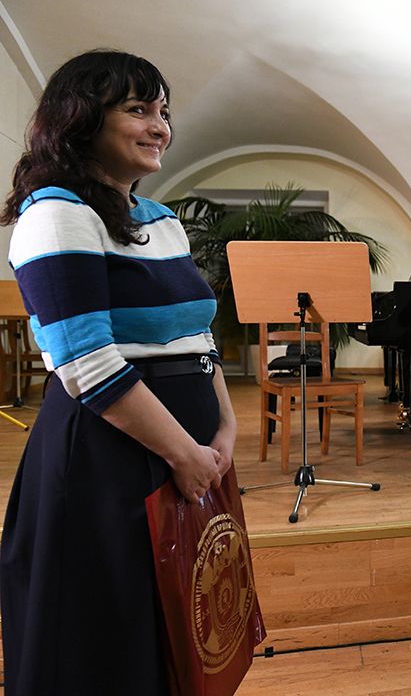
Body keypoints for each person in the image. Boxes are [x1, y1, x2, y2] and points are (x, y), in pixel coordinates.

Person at [0, 50, 238, 695]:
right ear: (81, 119)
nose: (160, 127)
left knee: (169, 628)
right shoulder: (56, 212)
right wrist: (184, 453)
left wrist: (225, 428)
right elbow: (86, 361)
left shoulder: (162, 220)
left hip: (185, 448)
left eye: (164, 112)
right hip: (107, 453)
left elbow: (198, 335)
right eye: (138, 110)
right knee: (100, 637)